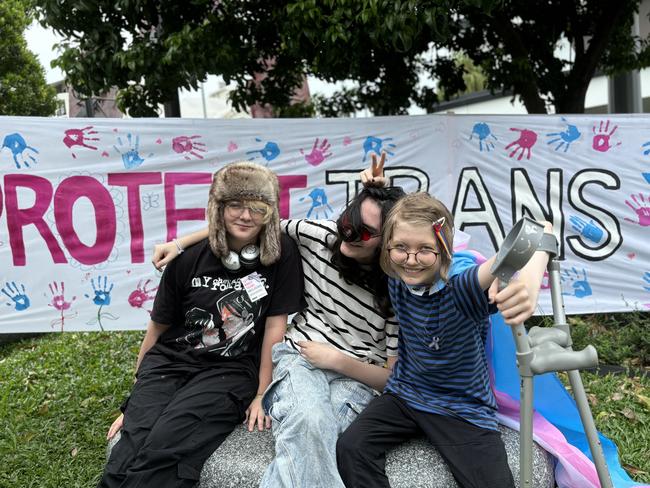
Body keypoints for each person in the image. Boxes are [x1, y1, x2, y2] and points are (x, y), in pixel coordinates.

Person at [152, 155, 475, 488]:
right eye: (349, 221)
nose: (349, 234)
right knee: (311, 420)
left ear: (389, 241)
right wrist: (179, 243)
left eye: (366, 233)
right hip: (300, 358)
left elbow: (389, 380)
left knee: (312, 438)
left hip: (356, 376)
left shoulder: (396, 288)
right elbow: (249, 224)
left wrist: (338, 361)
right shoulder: (318, 236)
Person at [99, 161, 305, 488]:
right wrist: (135, 404)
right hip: (170, 363)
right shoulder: (187, 258)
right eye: (235, 205)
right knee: (128, 450)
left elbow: (274, 329)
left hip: (230, 371)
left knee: (164, 446)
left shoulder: (281, 253)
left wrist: (262, 393)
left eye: (257, 207)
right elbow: (157, 330)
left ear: (270, 211)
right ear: (217, 207)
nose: (246, 215)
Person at [336, 192, 552, 488]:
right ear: (387, 247)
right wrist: (374, 187)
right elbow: (363, 229)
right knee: (352, 447)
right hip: (406, 395)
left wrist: (526, 282)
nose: (411, 260)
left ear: (444, 248)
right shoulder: (395, 273)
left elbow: (540, 229)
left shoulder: (462, 287)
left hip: (461, 408)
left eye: (425, 249)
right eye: (401, 247)